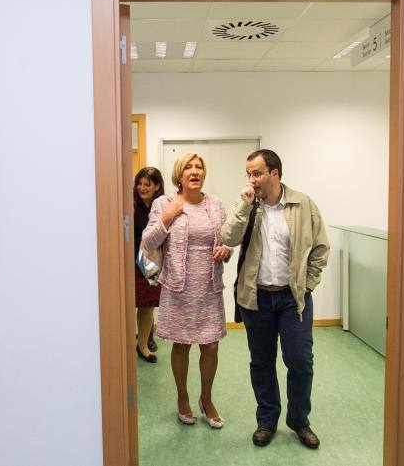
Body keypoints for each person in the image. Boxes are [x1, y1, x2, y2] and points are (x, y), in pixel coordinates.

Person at [221, 149, 329, 449]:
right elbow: (228, 238)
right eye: (248, 174)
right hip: (256, 299)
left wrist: (306, 285)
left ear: (275, 173)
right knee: (262, 362)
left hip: (293, 299)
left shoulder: (302, 204)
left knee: (300, 361)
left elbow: (320, 248)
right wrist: (243, 207)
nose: (251, 180)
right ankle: (267, 420)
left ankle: (298, 419)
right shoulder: (247, 205)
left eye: (257, 173)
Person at [141, 153, 232, 429]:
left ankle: (206, 398)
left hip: (208, 287)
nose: (195, 171)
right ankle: (182, 397)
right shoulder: (164, 203)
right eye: (189, 168)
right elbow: (148, 241)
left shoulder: (215, 205)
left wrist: (226, 250)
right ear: (179, 175)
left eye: (199, 167)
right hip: (179, 287)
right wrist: (168, 217)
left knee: (211, 345)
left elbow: (227, 240)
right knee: (181, 345)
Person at [133, 167, 165, 363]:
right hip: (129, 262)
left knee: (147, 307)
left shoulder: (161, 206)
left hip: (151, 262)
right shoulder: (129, 204)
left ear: (157, 186)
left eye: (147, 184)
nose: (142, 187)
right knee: (126, 306)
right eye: (139, 183)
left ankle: (143, 345)